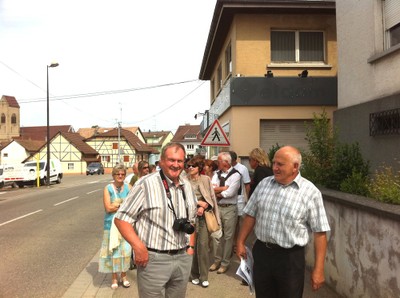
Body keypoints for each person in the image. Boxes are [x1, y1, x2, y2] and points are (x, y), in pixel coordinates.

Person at [236, 146, 330, 297]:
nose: (275, 168)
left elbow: (320, 233)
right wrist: (240, 241)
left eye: (280, 164)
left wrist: (319, 269)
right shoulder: (264, 184)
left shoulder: (310, 192)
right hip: (262, 253)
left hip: (290, 259)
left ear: (295, 167)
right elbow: (250, 215)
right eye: (274, 163)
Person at [114, 142, 198, 298]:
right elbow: (121, 219)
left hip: (183, 258)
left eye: (179, 161)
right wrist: (138, 247)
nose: (175, 164)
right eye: (171, 160)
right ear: (161, 161)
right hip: (153, 260)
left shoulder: (187, 186)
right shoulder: (145, 184)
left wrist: (191, 247)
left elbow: (192, 221)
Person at [187, 155, 221, 288]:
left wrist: (202, 206)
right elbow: (183, 198)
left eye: (193, 166)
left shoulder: (205, 179)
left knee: (203, 246)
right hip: (189, 217)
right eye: (189, 166)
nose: (190, 168)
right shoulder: (185, 180)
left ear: (199, 168)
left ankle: (204, 276)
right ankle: (194, 274)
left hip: (203, 218)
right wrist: (197, 203)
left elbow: (211, 199)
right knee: (191, 247)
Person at [99, 164, 132, 290]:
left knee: (125, 251)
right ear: (113, 175)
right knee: (113, 251)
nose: (120, 176)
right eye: (117, 174)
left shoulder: (128, 187)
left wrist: (116, 206)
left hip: (125, 223)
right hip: (111, 224)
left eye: (123, 174)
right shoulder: (108, 188)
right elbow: (108, 208)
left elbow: (132, 205)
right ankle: (114, 277)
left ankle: (124, 276)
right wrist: (122, 206)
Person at [209, 151, 241, 274]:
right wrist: (222, 188)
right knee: (216, 235)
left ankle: (225, 263)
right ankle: (216, 260)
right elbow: (211, 189)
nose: (217, 163)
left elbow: (230, 193)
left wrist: (216, 192)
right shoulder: (216, 174)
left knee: (228, 237)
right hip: (217, 207)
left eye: (219, 161)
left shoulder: (236, 175)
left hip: (229, 208)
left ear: (226, 163)